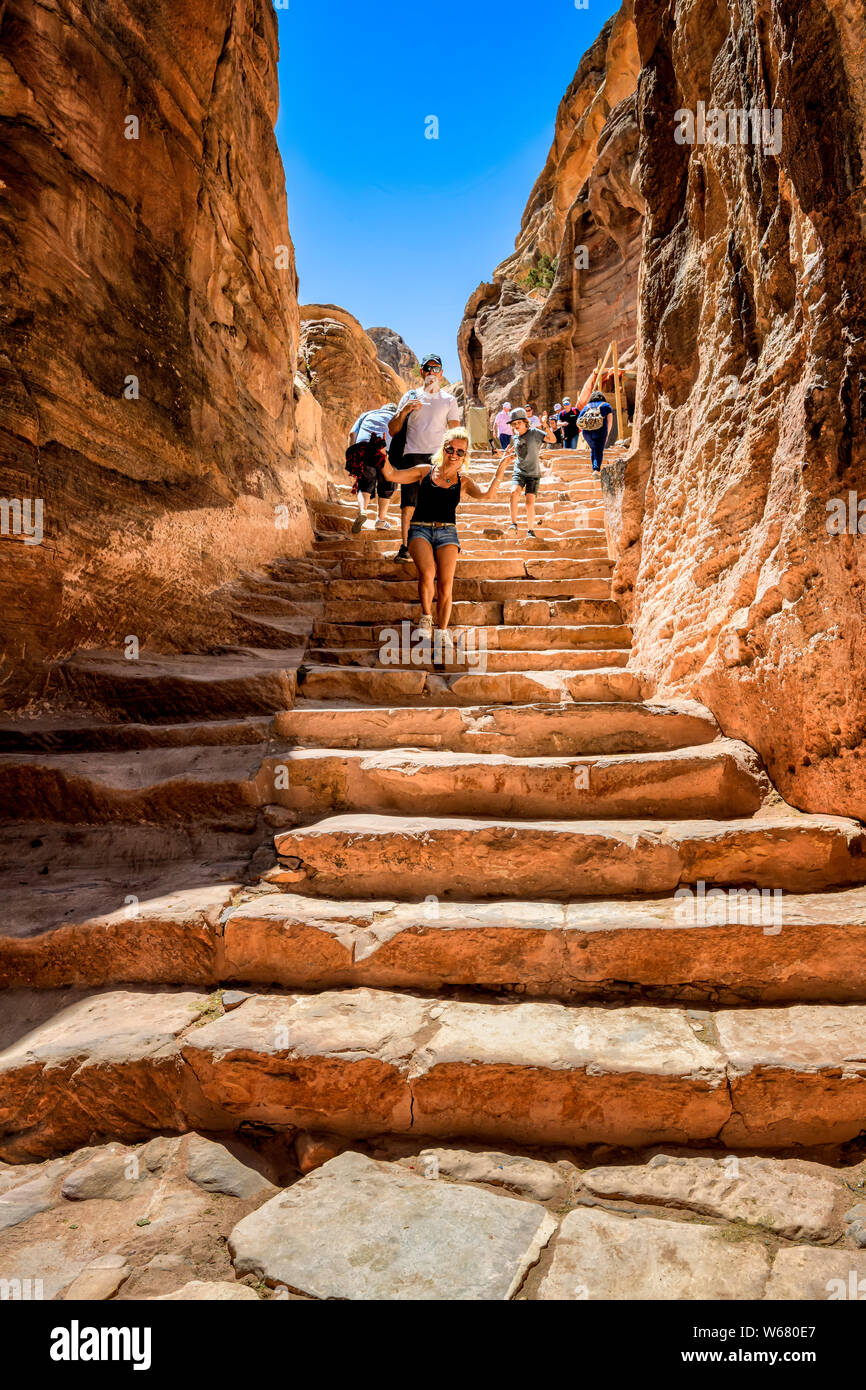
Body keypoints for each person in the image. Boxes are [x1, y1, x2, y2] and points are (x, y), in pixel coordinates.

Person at [378, 427, 509, 636]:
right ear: (443, 449)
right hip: (419, 529)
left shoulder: (463, 481)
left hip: (448, 532)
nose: (454, 455)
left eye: (460, 452)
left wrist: (499, 471)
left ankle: (442, 633)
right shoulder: (424, 471)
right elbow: (392, 474)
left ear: (465, 456)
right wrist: (382, 455)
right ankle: (426, 618)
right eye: (451, 449)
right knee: (428, 572)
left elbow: (487, 495)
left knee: (446, 584)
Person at [387, 352, 460, 561]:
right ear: (421, 371)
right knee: (409, 502)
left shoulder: (449, 400)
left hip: (438, 457)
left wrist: (454, 460)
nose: (431, 372)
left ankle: (437, 545)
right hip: (412, 454)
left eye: (435, 369)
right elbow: (392, 430)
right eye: (427, 368)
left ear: (441, 373)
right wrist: (404, 411)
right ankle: (404, 546)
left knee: (439, 503)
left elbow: (454, 431)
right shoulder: (410, 396)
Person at [503, 407, 556, 538]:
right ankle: (513, 524)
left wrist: (545, 426)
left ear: (525, 422)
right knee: (513, 492)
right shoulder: (514, 438)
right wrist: (508, 456)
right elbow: (518, 454)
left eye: (519, 423)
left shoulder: (534, 433)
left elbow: (553, 440)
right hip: (519, 471)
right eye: (514, 424)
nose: (516, 426)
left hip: (533, 474)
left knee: (529, 503)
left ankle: (530, 530)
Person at [346, 402, 398, 532]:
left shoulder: (367, 414)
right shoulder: (397, 417)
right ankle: (380, 520)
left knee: (365, 483)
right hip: (385, 450)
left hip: (363, 448)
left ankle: (363, 511)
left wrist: (352, 455)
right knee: (386, 485)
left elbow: (352, 434)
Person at [577, 390, 614, 472]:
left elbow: (578, 421)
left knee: (594, 449)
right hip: (600, 430)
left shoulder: (587, 406)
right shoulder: (606, 405)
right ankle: (596, 470)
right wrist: (607, 434)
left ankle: (595, 468)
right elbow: (610, 422)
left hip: (586, 432)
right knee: (598, 450)